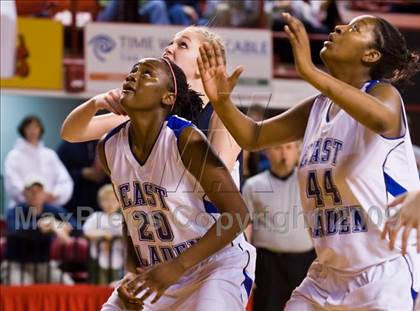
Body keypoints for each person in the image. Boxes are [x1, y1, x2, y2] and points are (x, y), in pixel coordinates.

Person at [198, 12, 420, 310]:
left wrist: (310, 71)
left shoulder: (384, 95)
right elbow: (253, 136)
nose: (340, 27)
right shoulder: (318, 107)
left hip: (382, 273)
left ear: (371, 55)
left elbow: (382, 119)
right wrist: (222, 101)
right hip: (326, 275)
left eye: (355, 28)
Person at [78, 58, 255, 310]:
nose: (132, 77)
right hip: (157, 269)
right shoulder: (109, 147)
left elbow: (238, 214)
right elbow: (134, 217)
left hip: (213, 265)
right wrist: (130, 269)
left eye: (146, 74)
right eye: (132, 71)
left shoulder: (185, 138)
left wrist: (177, 266)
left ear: (168, 98)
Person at [61, 26, 242, 192]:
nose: (169, 48)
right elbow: (71, 133)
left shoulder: (221, 116)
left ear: (204, 64)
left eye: (183, 45)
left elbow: (215, 186)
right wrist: (96, 103)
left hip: (211, 224)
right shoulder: (154, 110)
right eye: (171, 42)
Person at [243, 142, 315, 311]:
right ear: (267, 151)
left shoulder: (309, 182)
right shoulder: (253, 186)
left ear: (298, 151)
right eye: (278, 148)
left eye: (289, 148)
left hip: (304, 263)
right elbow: (245, 228)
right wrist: (246, 266)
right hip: (268, 265)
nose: (284, 153)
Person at [1, 177, 75, 285]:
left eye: (39, 191)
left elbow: (76, 226)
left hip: (44, 265)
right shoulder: (14, 211)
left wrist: (60, 225)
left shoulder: (52, 210)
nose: (35, 194)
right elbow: (13, 229)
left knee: (68, 286)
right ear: (24, 193)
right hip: (15, 264)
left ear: (45, 194)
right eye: (31, 191)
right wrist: (40, 225)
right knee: (22, 290)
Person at [4, 115, 73, 209]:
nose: (32, 131)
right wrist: (32, 196)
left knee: (67, 223)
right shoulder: (14, 156)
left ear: (40, 130)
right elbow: (12, 182)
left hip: (49, 208)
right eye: (29, 127)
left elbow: (64, 180)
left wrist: (54, 194)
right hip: (22, 209)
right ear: (23, 130)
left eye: (36, 127)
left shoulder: (50, 155)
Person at [83, 184, 123, 284]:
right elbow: (86, 231)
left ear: (119, 203)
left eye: (113, 200)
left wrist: (114, 238)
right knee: (99, 285)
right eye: (106, 200)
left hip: (117, 259)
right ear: (100, 202)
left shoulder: (121, 219)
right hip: (98, 260)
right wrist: (103, 234)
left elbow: (125, 234)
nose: (110, 204)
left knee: (115, 287)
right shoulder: (96, 217)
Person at [57, 140, 108, 218]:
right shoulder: (67, 145)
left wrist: (106, 172)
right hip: (74, 202)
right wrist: (81, 173)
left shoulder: (105, 143)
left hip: (101, 201)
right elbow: (58, 175)